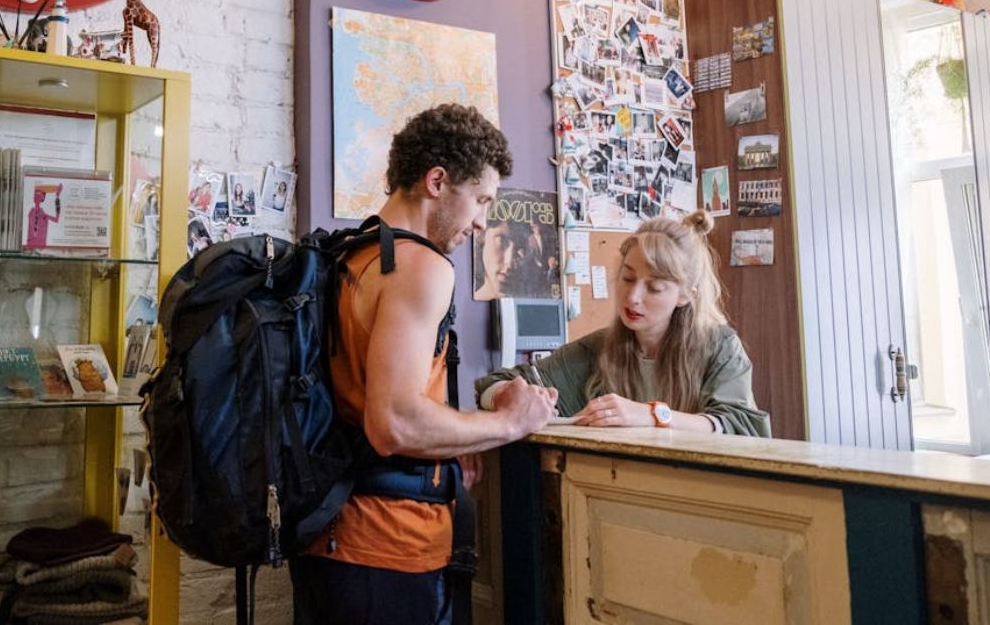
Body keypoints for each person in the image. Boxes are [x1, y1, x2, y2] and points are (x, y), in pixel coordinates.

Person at [290, 104, 559, 624]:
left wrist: (459, 439)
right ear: (438, 181)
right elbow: (393, 422)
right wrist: (507, 423)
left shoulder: (352, 254)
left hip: (330, 537)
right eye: (480, 198)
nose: (482, 221)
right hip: (388, 547)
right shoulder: (421, 266)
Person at [475, 211, 771, 437]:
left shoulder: (720, 346)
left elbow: (741, 426)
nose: (633, 297)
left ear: (685, 295)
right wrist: (510, 396)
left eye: (654, 288)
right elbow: (491, 385)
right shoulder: (596, 350)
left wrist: (652, 415)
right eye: (628, 278)